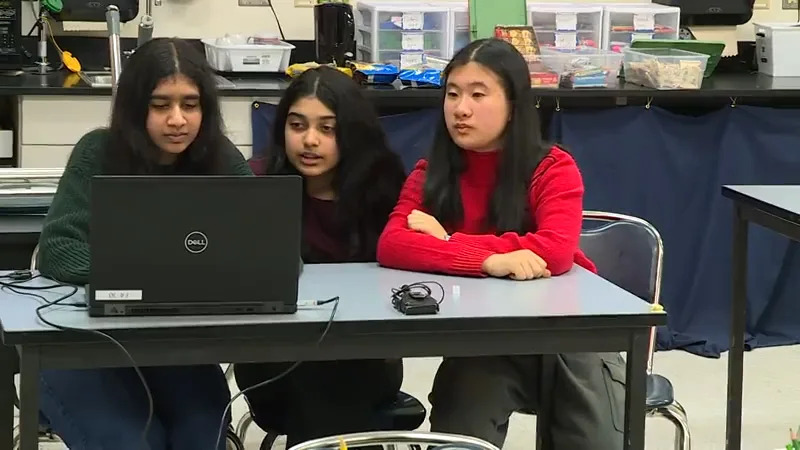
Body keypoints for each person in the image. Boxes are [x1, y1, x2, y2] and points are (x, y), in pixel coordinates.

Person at [376, 38, 627, 449]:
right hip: (487, 341)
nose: (461, 109)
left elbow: (554, 251)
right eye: (452, 94)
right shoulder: (431, 173)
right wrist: (490, 261)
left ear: (513, 105)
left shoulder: (553, 167)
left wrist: (450, 241)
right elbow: (393, 244)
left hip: (571, 337)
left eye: (478, 95)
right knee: (459, 432)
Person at [36, 38, 251, 450]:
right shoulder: (98, 152)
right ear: (136, 107)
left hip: (173, 346)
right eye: (160, 105)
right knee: (132, 441)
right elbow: (59, 248)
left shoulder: (219, 157)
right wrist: (156, 274)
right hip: (85, 346)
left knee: (200, 435)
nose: (177, 119)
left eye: (190, 104)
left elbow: (271, 243)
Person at [234, 66, 407, 447]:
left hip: (363, 356)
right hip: (273, 357)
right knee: (319, 385)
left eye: (327, 129)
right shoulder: (256, 184)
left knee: (332, 383)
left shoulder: (384, 189)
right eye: (297, 126)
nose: (309, 140)